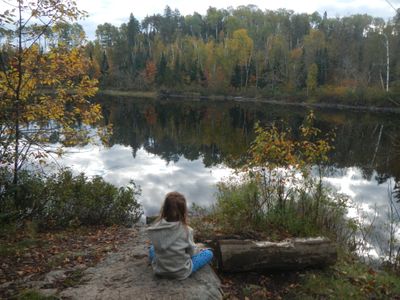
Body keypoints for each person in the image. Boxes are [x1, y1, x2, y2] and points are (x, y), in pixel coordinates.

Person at [147, 191, 213, 280]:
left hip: (160, 270)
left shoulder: (156, 228)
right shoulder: (187, 230)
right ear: (183, 211)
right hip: (181, 272)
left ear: (165, 209)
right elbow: (191, 253)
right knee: (208, 253)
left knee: (152, 248)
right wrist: (199, 249)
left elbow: (157, 247)